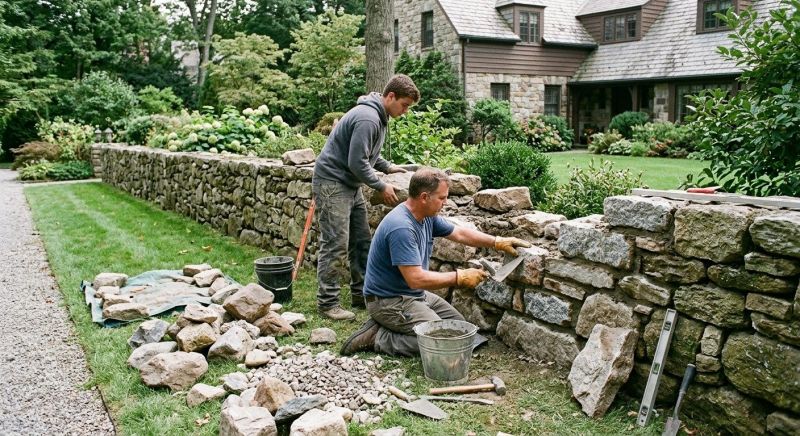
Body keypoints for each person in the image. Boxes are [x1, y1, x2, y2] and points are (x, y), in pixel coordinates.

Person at [340, 168, 532, 356]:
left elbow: (459, 233)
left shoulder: (426, 217)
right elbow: (415, 279)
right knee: (444, 341)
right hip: (388, 300)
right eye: (442, 198)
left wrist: (497, 242)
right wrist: (460, 277)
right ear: (424, 197)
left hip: (413, 295)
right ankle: (379, 337)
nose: (446, 202)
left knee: (461, 329)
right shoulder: (402, 228)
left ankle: (394, 325)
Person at [313, 74, 420, 321]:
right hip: (332, 183)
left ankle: (361, 294)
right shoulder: (368, 118)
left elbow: (368, 154)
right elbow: (356, 162)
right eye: (404, 105)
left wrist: (388, 167)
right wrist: (381, 186)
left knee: (362, 242)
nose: (405, 111)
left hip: (349, 184)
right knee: (336, 243)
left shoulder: (378, 117)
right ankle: (328, 303)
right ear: (390, 96)